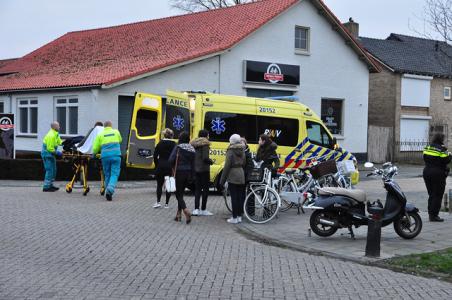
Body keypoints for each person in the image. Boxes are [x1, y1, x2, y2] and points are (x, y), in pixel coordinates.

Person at [423, 133, 451, 222]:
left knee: (431, 194)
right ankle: (434, 215)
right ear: (441, 139)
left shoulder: (428, 147)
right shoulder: (442, 149)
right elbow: (446, 160)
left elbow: (424, 157)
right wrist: (449, 154)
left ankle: (430, 213)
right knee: (438, 194)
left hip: (427, 172)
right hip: (438, 173)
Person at [169, 131, 195, 224]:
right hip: (188, 173)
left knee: (178, 194)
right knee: (181, 193)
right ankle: (178, 215)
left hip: (179, 172)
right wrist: (192, 176)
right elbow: (193, 164)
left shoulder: (178, 147)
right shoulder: (192, 149)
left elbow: (171, 160)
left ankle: (185, 210)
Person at [93, 121, 122, 201]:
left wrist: (94, 154)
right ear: (111, 126)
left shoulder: (100, 135)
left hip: (105, 157)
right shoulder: (116, 132)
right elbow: (120, 140)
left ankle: (107, 191)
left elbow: (95, 149)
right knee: (114, 174)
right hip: (116, 156)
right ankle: (110, 190)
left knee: (107, 174)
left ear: (104, 127)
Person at [220, 134, 246, 224]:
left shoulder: (230, 151)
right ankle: (239, 216)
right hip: (241, 173)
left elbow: (227, 166)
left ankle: (234, 217)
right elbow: (244, 162)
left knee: (234, 197)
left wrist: (222, 180)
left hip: (233, 174)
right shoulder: (242, 149)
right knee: (239, 197)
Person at [191, 129, 214, 216]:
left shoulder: (194, 144)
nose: (209, 136)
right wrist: (211, 161)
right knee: (205, 190)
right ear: (206, 136)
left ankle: (196, 209)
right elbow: (205, 158)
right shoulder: (205, 144)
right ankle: (203, 209)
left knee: (197, 190)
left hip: (196, 169)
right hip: (204, 170)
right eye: (208, 135)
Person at [153, 128, 176, 208]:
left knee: (159, 185)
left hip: (161, 165)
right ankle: (166, 204)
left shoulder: (160, 143)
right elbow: (176, 156)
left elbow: (155, 156)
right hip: (169, 167)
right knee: (169, 185)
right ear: (171, 135)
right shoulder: (174, 144)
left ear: (164, 135)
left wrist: (157, 164)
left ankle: (158, 202)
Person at [41, 121, 63, 192]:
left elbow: (60, 142)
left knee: (54, 170)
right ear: (55, 127)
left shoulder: (56, 134)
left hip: (51, 155)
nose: (59, 127)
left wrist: (67, 144)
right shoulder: (51, 135)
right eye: (58, 126)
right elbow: (50, 148)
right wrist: (58, 153)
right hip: (47, 155)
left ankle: (50, 185)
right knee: (49, 170)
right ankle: (46, 187)